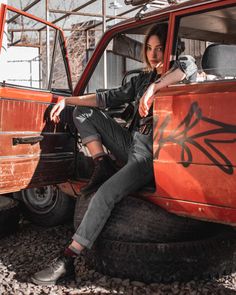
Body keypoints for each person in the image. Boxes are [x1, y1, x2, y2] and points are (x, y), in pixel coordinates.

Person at [31, 23, 197, 286]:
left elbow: (188, 66)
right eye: (150, 48)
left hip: (151, 157)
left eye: (160, 49)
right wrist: (67, 101)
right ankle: (102, 162)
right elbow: (104, 98)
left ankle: (68, 259)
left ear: (173, 50)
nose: (154, 55)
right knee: (83, 113)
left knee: (104, 194)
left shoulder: (181, 73)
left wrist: (155, 89)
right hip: (131, 142)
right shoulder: (142, 79)